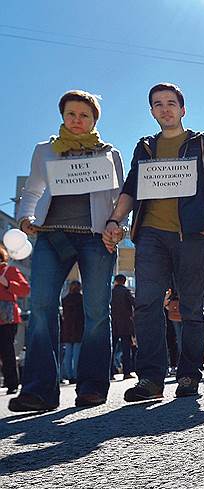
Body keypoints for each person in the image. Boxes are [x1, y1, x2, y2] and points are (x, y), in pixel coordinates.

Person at [103, 82, 204, 400]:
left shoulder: (202, 143)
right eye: (158, 104)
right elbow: (130, 189)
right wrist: (115, 220)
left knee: (190, 307)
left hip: (191, 237)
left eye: (171, 103)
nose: (165, 108)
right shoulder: (145, 147)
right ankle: (150, 379)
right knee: (146, 304)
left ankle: (188, 375)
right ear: (152, 112)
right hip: (150, 236)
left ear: (182, 109)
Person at [9, 90, 125, 412]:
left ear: (94, 121)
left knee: (97, 310)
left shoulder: (108, 154)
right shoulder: (44, 150)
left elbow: (118, 198)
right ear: (62, 116)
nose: (77, 120)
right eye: (71, 114)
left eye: (84, 116)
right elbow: (33, 191)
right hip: (51, 236)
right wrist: (24, 218)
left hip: (95, 238)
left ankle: (91, 387)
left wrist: (117, 225)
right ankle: (39, 391)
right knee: (43, 306)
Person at [0, 245, 30, 394]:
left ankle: (12, 382)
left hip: (7, 319)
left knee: (7, 351)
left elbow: (25, 290)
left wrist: (8, 284)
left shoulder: (9, 270)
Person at [110, 274, 135, 380]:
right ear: (124, 281)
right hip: (125, 325)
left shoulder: (110, 292)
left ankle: (110, 373)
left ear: (115, 281)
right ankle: (126, 372)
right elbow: (134, 303)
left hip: (113, 324)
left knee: (111, 350)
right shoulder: (126, 292)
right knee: (126, 350)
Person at [60, 281, 84, 382]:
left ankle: (69, 375)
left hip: (67, 328)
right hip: (78, 327)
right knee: (77, 353)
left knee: (68, 353)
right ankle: (76, 374)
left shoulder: (65, 299)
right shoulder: (82, 299)